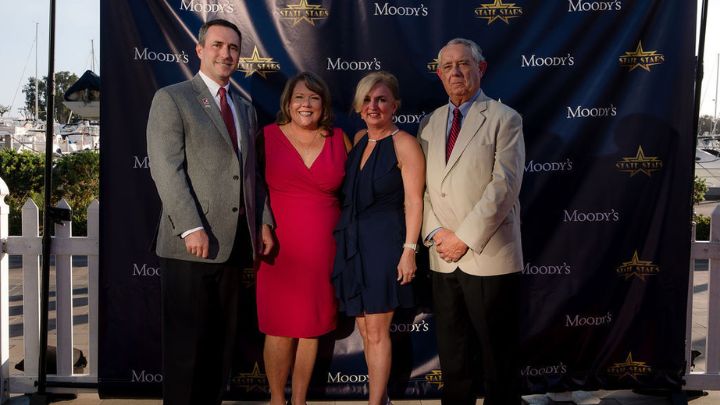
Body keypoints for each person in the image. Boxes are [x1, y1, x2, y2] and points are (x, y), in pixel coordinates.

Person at [146, 19, 274, 405]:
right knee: (187, 352)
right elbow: (166, 169)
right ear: (200, 50)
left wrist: (264, 222)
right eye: (218, 45)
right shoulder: (173, 98)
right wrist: (190, 227)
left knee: (219, 350)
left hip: (235, 246)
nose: (226, 53)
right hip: (191, 247)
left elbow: (252, 175)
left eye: (233, 47)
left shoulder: (244, 109)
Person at [418, 38, 525, 405]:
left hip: (489, 255)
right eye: (447, 67)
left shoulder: (504, 118)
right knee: (453, 355)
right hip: (442, 256)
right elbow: (424, 191)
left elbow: (504, 186)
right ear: (439, 74)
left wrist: (463, 237)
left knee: (498, 355)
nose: (455, 73)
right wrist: (437, 233)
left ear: (481, 68)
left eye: (463, 64)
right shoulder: (429, 123)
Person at [256, 71, 350, 405]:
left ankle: (300, 400)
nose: (305, 104)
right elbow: (251, 189)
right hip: (279, 246)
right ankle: (277, 399)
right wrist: (261, 224)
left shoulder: (341, 139)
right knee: (279, 326)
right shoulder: (266, 136)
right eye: (298, 97)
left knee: (311, 326)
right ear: (287, 102)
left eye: (313, 97)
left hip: (324, 247)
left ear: (323, 104)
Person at [333, 71, 425, 405]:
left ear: (395, 105)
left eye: (382, 99)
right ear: (359, 106)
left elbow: (414, 201)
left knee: (377, 330)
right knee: (364, 328)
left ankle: (376, 403)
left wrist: (409, 251)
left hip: (385, 245)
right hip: (353, 244)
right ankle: (381, 398)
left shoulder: (405, 143)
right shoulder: (358, 139)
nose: (374, 106)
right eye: (368, 100)